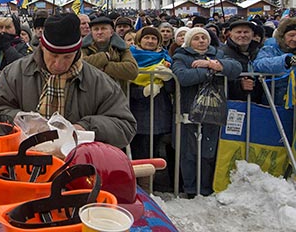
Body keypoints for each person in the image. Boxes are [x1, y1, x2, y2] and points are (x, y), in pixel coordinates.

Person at [0, 13, 136, 148]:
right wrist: (22, 120)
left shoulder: (100, 82)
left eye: (67, 57)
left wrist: (85, 127)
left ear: (77, 52)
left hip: (79, 166)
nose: (59, 64)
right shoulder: (14, 73)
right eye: (53, 55)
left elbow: (125, 126)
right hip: (24, 162)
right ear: (42, 47)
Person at [171, 27, 241, 197]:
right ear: (189, 42)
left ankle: (206, 188)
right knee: (189, 154)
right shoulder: (181, 56)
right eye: (196, 38)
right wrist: (210, 71)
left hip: (212, 112)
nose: (201, 40)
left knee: (208, 152)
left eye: (204, 37)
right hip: (188, 111)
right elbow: (183, 77)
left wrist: (212, 64)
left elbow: (236, 67)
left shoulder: (218, 54)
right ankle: (191, 189)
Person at [128, 27, 173, 170]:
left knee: (153, 152)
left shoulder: (165, 58)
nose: (150, 41)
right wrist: (142, 92)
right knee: (138, 152)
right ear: (139, 40)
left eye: (154, 38)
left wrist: (167, 79)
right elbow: (124, 85)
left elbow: (172, 88)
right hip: (136, 111)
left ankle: (150, 185)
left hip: (159, 111)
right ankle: (141, 186)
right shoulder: (130, 57)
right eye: (146, 38)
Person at [252, 16, 296, 107]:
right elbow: (259, 64)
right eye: (291, 35)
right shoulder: (270, 49)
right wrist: (286, 60)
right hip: (275, 104)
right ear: (283, 36)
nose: (295, 39)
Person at [80, 16, 138, 83]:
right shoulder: (83, 47)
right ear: (91, 32)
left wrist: (103, 67)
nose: (99, 32)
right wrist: (105, 56)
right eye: (96, 29)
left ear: (111, 32)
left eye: (103, 29)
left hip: (116, 91)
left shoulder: (121, 47)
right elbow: (80, 65)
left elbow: (132, 71)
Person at [221, 19, 262, 103]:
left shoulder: (259, 52)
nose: (242, 35)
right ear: (230, 34)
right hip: (231, 103)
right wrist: (239, 84)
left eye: (246, 32)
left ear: (252, 34)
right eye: (238, 32)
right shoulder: (221, 53)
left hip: (256, 103)